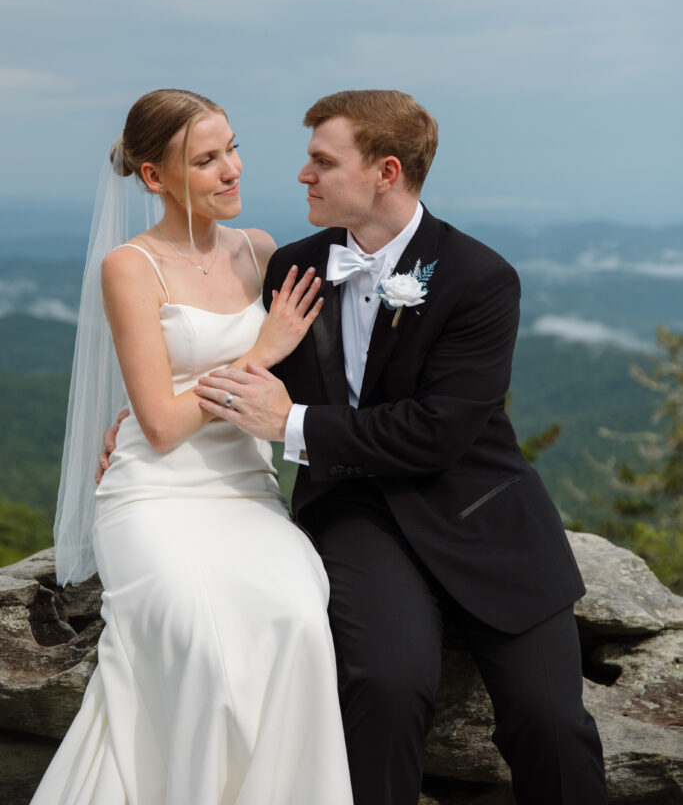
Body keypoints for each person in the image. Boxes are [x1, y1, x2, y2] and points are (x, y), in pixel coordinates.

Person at [194, 90, 608, 805]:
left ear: (386, 171)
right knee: (384, 687)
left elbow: (434, 432)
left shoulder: (479, 278)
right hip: (354, 511)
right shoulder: (290, 267)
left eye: (322, 161)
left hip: (482, 516)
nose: (302, 175)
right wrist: (140, 424)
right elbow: (226, 360)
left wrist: (290, 423)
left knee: (549, 720)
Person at [34, 89, 353, 805]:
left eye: (232, 148)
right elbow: (163, 425)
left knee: (299, 619)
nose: (231, 169)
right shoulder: (131, 267)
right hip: (155, 495)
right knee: (202, 640)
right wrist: (260, 352)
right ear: (154, 178)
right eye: (206, 160)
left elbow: (314, 381)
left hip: (244, 490)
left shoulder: (261, 251)